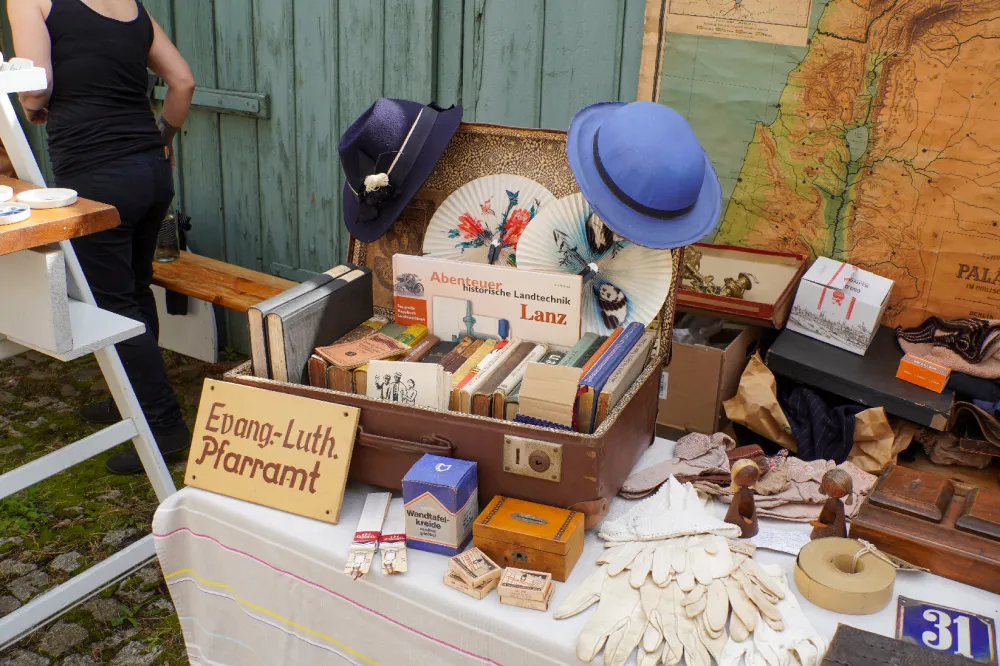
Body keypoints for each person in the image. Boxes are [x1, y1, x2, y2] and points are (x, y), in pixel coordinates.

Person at [8, 0, 195, 474]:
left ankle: (164, 425)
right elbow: (182, 82)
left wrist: (37, 104)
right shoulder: (131, 5)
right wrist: (164, 136)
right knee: (134, 287)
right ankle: (128, 396)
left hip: (98, 177)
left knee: (113, 304)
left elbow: (35, 89)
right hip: (152, 171)